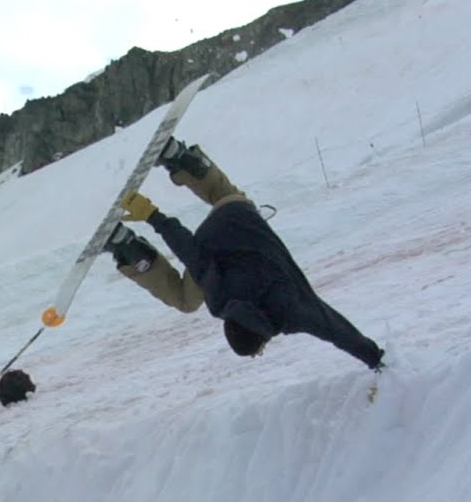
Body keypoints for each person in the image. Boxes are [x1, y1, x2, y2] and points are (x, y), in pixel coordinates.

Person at [104, 137, 385, 370]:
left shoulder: (297, 311)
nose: (262, 351)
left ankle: (182, 159)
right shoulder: (222, 301)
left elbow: (337, 330)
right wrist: (151, 215)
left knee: (225, 194)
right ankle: (127, 248)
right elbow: (192, 254)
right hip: (216, 235)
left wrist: (375, 358)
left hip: (234, 211)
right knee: (185, 301)